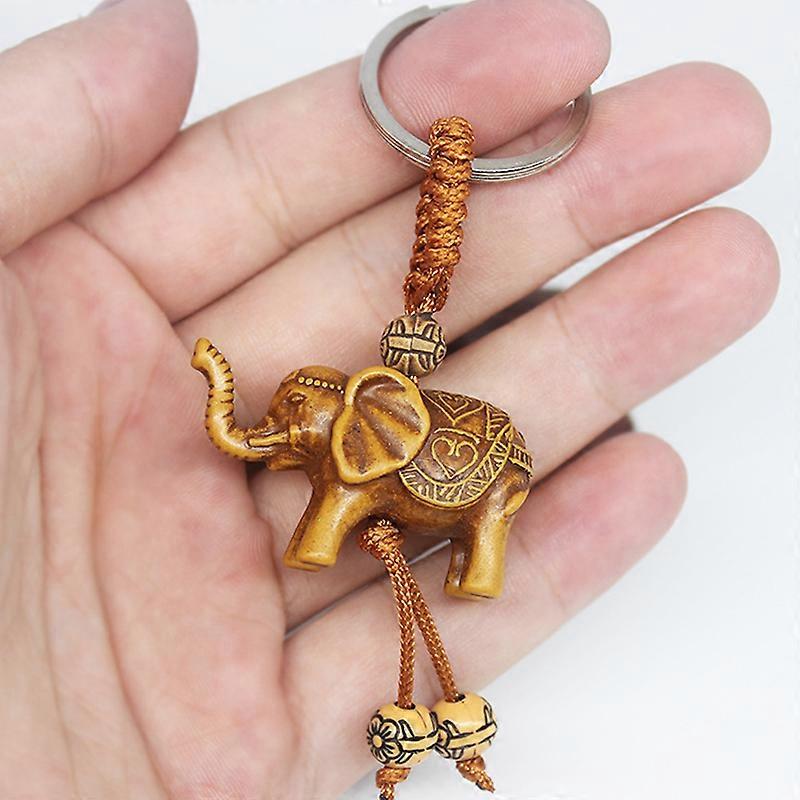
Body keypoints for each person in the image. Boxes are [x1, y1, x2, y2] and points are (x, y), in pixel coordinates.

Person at [0, 0, 778, 797]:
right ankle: (474, 578)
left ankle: (479, 562)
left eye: (292, 426)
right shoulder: (346, 451)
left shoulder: (357, 458)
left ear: (364, 426)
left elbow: (326, 509)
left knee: (471, 525)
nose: (277, 435)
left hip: (470, 468)